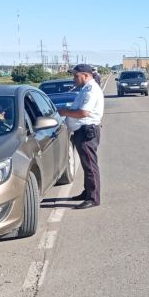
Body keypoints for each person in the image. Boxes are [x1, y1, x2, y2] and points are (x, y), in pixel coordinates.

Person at [57, 64, 105, 209]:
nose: (74, 79)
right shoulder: (85, 89)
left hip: (87, 131)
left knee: (90, 165)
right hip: (82, 131)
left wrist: (64, 112)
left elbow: (84, 112)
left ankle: (93, 197)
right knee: (86, 164)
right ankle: (88, 192)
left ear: (85, 75)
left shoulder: (91, 90)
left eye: (76, 76)